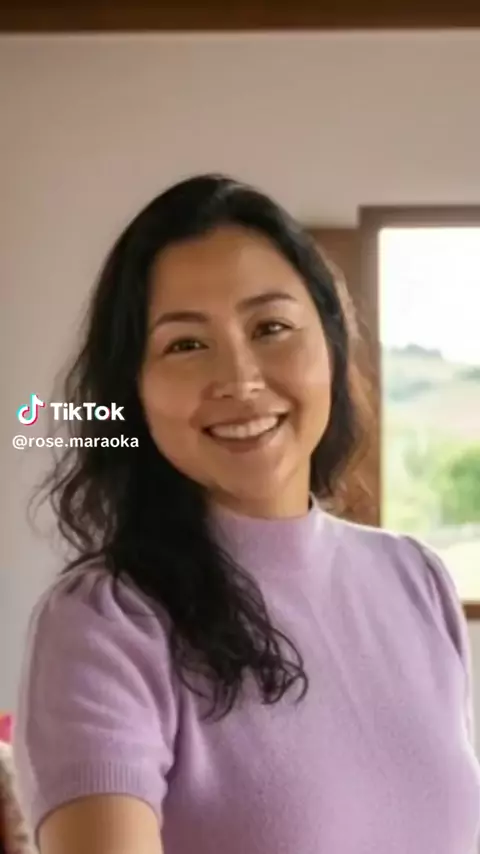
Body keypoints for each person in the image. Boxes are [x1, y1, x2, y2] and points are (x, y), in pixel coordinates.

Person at [12, 174, 480, 854]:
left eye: (271, 328)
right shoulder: (104, 627)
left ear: (331, 344)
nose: (239, 379)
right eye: (185, 344)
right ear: (134, 391)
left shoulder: (416, 580)